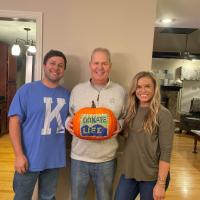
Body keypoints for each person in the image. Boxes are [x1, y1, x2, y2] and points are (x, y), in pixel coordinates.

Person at [8, 50, 70, 200]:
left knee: (48, 197)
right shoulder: (26, 90)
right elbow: (14, 122)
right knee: (22, 197)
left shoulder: (68, 95)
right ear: (44, 65)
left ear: (64, 70)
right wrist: (18, 155)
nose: (56, 68)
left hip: (54, 159)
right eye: (52, 63)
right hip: (28, 158)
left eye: (60, 65)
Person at [66, 48, 126, 200]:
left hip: (107, 159)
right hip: (79, 157)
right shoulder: (77, 90)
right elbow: (70, 116)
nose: (100, 67)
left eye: (104, 63)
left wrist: (120, 124)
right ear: (90, 65)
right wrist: (68, 122)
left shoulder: (120, 92)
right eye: (96, 63)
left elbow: (126, 117)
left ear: (110, 66)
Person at [115, 71, 174, 200]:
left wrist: (161, 183)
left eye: (147, 86)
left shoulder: (163, 114)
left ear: (154, 88)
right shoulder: (130, 112)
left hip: (151, 176)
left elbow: (166, 152)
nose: (143, 90)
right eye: (139, 87)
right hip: (129, 172)